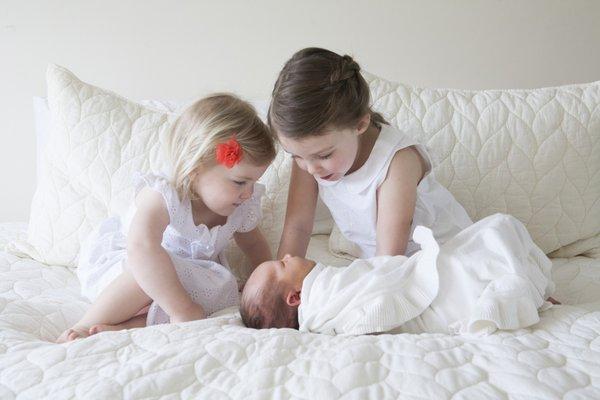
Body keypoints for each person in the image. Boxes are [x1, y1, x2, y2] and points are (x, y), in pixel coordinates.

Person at [57, 94, 276, 342]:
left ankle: (128, 326)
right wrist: (181, 309)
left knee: (220, 291)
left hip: (184, 275)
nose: (248, 193)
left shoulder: (241, 205)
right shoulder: (164, 195)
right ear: (195, 170)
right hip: (134, 265)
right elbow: (141, 248)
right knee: (151, 275)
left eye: (254, 182)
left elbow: (255, 245)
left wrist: (266, 282)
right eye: (239, 182)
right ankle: (87, 324)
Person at [269, 47, 473, 260]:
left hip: (444, 256)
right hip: (389, 263)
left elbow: (389, 258)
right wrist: (281, 280)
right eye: (296, 156)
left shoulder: (397, 164)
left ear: (360, 124)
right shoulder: (309, 156)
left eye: (325, 155)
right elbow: (298, 226)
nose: (311, 169)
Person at [240, 214, 559, 335]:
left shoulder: (324, 297)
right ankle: (525, 287)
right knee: (495, 233)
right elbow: (377, 290)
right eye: (281, 266)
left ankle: (527, 286)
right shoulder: (323, 294)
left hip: (407, 272)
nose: (286, 256)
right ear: (295, 297)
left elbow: (375, 274)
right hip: (423, 290)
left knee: (490, 241)